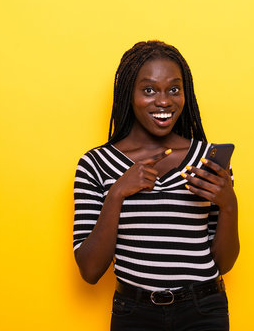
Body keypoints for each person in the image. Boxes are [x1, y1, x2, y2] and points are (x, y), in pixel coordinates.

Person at [73, 40, 239, 330]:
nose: (164, 102)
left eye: (174, 89)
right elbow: (90, 270)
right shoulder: (95, 164)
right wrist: (117, 193)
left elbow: (223, 264)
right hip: (135, 314)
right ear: (129, 94)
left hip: (203, 312)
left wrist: (229, 205)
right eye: (149, 90)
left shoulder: (206, 161)